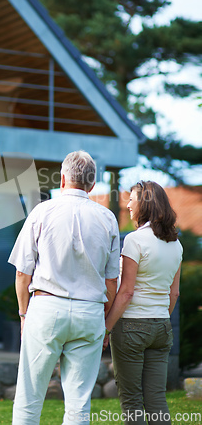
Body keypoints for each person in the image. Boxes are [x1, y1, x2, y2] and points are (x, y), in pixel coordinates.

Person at [8, 150, 120, 425]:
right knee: (79, 404)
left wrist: (24, 315)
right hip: (90, 312)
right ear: (92, 185)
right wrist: (104, 323)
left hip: (46, 308)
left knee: (29, 397)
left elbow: (23, 273)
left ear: (62, 179)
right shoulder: (108, 219)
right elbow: (111, 282)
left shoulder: (42, 211)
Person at [104, 181, 182, 425]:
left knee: (132, 400)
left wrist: (106, 328)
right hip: (161, 327)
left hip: (130, 328)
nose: (127, 204)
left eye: (132, 200)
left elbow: (125, 293)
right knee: (157, 398)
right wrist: (160, 318)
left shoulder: (134, 240)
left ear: (145, 204)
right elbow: (174, 293)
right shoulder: (176, 244)